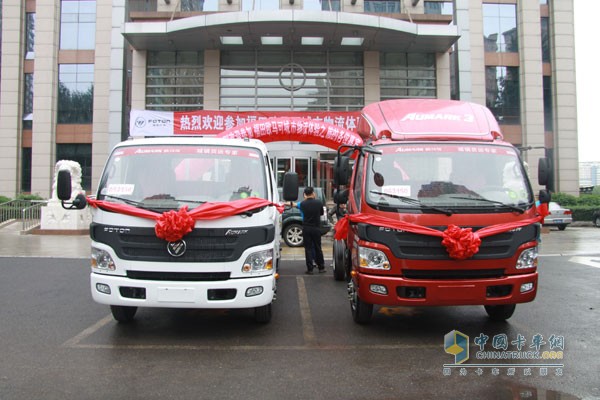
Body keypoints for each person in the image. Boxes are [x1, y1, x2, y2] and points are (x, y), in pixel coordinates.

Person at [289, 187, 325, 274]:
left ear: (305, 194)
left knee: (308, 248)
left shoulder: (302, 204)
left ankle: (310, 269)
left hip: (306, 228)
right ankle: (321, 267)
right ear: (313, 193)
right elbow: (321, 213)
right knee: (318, 247)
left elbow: (293, 205)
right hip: (316, 228)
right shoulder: (319, 202)